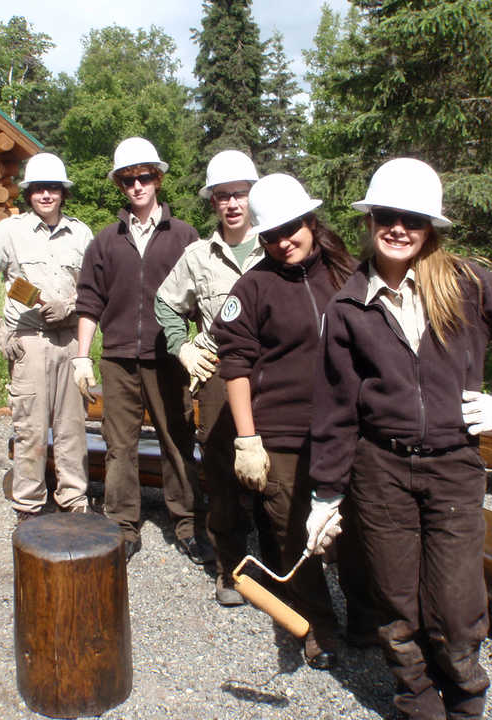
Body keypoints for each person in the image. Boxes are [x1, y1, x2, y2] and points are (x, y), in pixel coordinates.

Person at [306, 158, 492, 719]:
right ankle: (417, 703)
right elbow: (335, 406)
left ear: (432, 227)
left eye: (413, 219)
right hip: (380, 471)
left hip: (452, 466)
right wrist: (324, 495)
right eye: (387, 216)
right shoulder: (347, 305)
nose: (398, 228)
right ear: (370, 220)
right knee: (395, 606)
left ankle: (466, 703)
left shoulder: (467, 282)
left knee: (456, 608)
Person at [211, 173, 356, 669]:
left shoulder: (348, 275)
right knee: (296, 535)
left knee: (359, 529)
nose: (281, 242)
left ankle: (369, 614)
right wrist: (246, 439)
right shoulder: (253, 287)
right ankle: (318, 625)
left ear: (310, 221)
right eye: (269, 235)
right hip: (283, 435)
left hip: (347, 429)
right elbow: (234, 365)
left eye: (290, 229)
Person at [73, 137, 213, 565]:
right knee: (119, 445)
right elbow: (89, 301)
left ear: (158, 179)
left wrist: (199, 349)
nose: (137, 186)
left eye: (144, 177)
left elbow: (203, 300)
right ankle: (122, 526)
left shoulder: (185, 236)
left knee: (177, 439)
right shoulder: (105, 241)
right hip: (116, 359)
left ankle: (188, 524)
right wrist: (82, 354)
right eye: (128, 179)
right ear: (119, 185)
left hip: (170, 360)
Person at [154, 150, 270, 606]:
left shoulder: (277, 244)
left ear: (252, 197)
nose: (232, 204)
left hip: (274, 374)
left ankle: (282, 568)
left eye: (239, 194)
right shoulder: (198, 256)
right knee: (222, 474)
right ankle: (230, 569)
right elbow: (165, 303)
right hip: (220, 376)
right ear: (213, 203)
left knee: (277, 474)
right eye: (222, 196)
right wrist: (180, 346)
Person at [0, 152, 93, 520]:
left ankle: (74, 502)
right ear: (29, 193)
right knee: (31, 430)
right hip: (29, 342)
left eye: (53, 188)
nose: (46, 195)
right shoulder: (10, 231)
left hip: (70, 342)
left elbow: (96, 287)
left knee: (71, 429)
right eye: (39, 189)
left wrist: (70, 305)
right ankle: (29, 507)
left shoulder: (81, 233)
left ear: (63, 192)